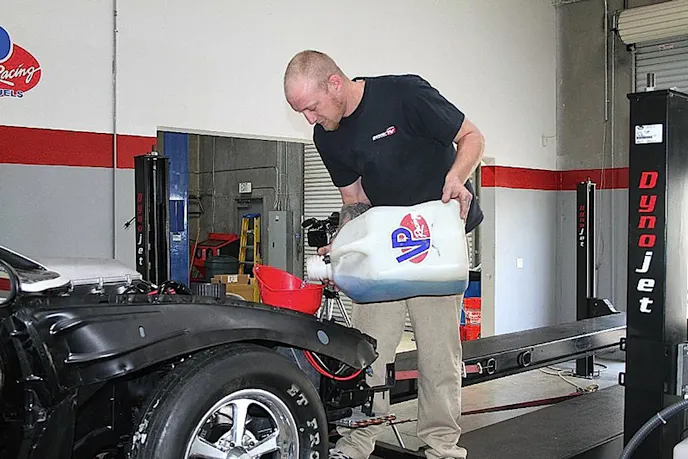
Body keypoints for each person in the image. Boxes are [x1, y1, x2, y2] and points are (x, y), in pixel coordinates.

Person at [283, 50, 484, 459]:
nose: (309, 119)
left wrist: (455, 177)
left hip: (435, 240)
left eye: (312, 107)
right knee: (366, 351)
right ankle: (358, 443)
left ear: (334, 84)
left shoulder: (405, 94)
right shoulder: (327, 135)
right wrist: (345, 242)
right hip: (384, 250)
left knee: (438, 354)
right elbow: (354, 200)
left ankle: (442, 446)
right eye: (301, 111)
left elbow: (472, 137)